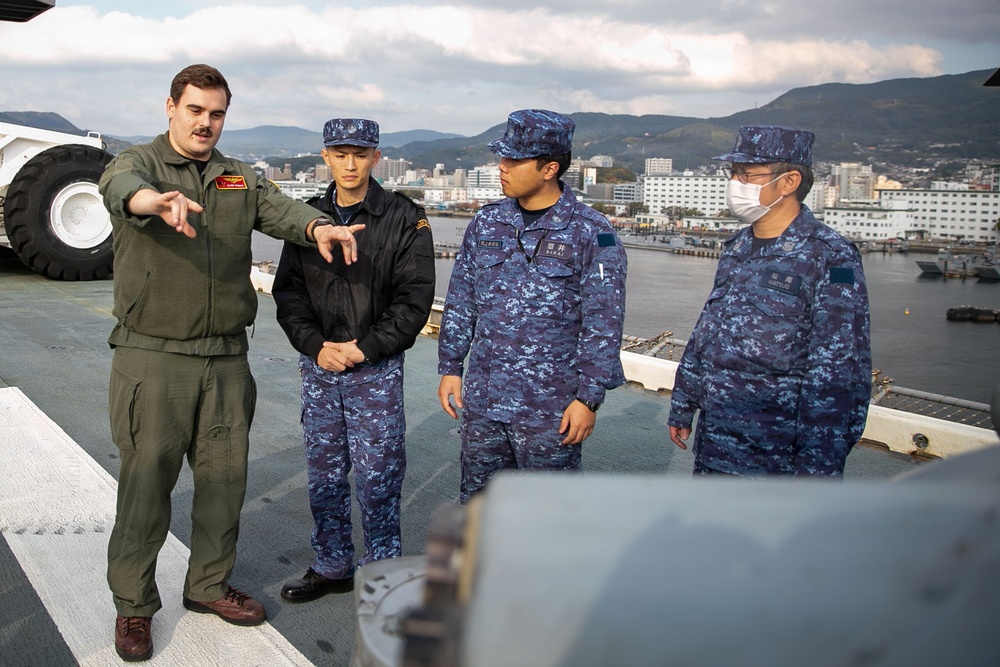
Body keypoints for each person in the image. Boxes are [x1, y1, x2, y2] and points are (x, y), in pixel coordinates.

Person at [99, 64, 364, 662]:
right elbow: (119, 190)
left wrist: (319, 225)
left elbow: (280, 210)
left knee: (223, 484)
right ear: (171, 106)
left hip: (224, 355)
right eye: (195, 110)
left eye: (216, 113)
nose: (206, 123)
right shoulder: (136, 163)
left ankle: (208, 586)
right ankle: (134, 608)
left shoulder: (237, 178)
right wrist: (153, 202)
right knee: (146, 488)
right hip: (154, 354)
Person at [272, 118, 435, 601]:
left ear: (376, 158)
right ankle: (332, 563)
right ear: (325, 156)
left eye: (360, 154)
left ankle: (382, 573)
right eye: (340, 153)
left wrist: (365, 347)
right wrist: (315, 346)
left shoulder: (405, 218)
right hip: (321, 367)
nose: (350, 164)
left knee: (378, 476)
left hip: (375, 369)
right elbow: (289, 294)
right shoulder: (308, 217)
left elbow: (414, 300)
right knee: (323, 473)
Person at [437, 109, 627, 504]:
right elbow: (461, 299)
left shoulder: (593, 233)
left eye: (513, 160)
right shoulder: (487, 223)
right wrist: (451, 367)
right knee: (478, 508)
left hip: (550, 408)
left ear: (549, 168)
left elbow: (604, 321)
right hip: (485, 401)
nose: (501, 168)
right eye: (501, 158)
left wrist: (588, 398)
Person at [667, 125, 871, 477]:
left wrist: (819, 466)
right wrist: (684, 403)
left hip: (777, 453)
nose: (735, 184)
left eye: (746, 174)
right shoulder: (738, 248)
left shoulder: (830, 256)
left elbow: (838, 371)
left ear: (789, 182)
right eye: (732, 173)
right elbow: (709, 332)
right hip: (716, 440)